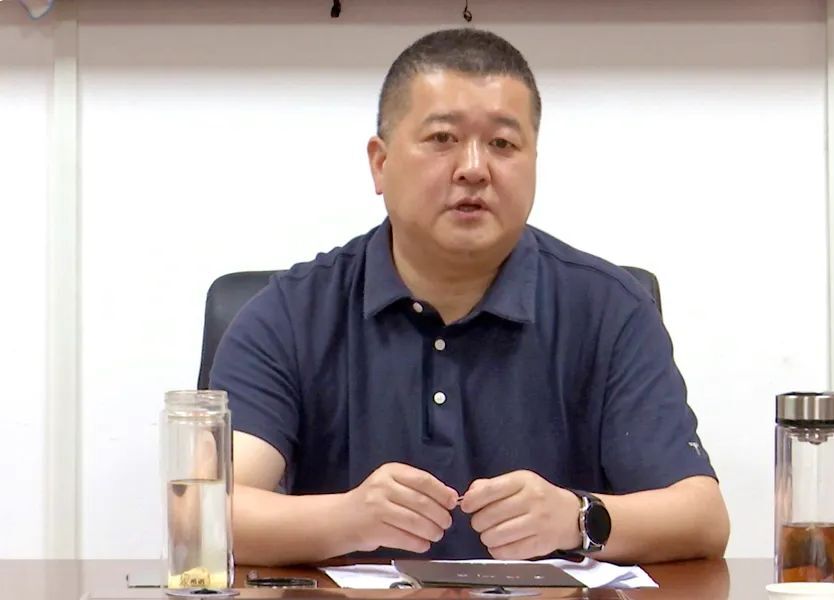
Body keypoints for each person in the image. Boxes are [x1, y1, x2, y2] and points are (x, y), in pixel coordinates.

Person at [210, 27, 730, 566]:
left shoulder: (609, 309)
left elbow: (702, 518)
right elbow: (208, 512)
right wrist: (347, 518)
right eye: (443, 138)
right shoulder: (290, 314)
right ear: (380, 164)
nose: (474, 168)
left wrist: (577, 517)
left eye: (503, 144)